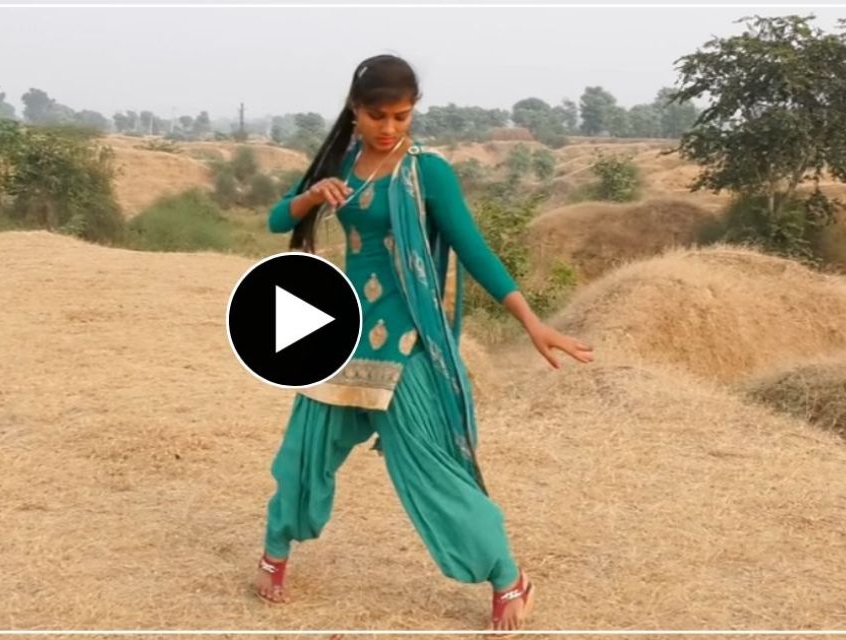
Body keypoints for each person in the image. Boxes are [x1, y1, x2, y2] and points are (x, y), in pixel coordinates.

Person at [253, 54, 594, 632]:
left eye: (402, 116)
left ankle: (507, 575)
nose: (390, 128)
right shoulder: (338, 161)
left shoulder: (427, 171)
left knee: (430, 469)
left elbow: (473, 248)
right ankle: (274, 553)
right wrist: (312, 197)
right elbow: (276, 217)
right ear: (355, 111)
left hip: (405, 336)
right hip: (341, 330)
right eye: (378, 115)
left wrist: (529, 321)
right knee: (304, 452)